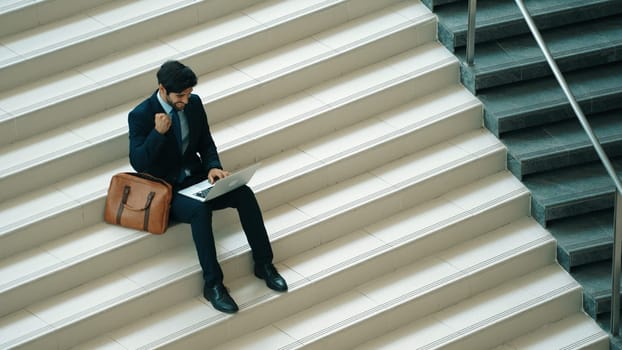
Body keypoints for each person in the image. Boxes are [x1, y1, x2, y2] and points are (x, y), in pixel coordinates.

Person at [128, 60, 287, 314]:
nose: (185, 100)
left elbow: (206, 143)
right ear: (162, 89)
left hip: (198, 179)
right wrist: (157, 134)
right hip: (168, 191)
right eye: (180, 96)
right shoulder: (140, 115)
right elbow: (139, 163)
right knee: (199, 211)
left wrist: (213, 166)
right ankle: (213, 285)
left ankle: (264, 264)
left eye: (188, 94)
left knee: (243, 193)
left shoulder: (194, 104)